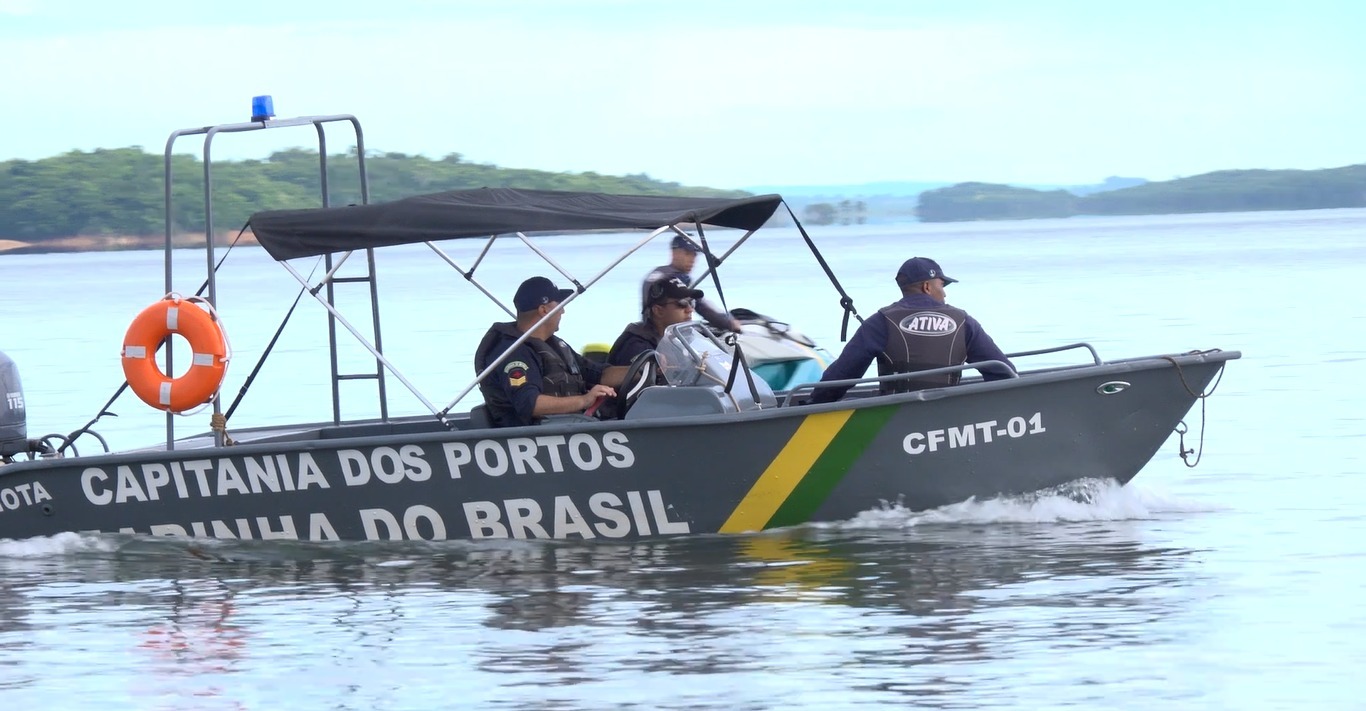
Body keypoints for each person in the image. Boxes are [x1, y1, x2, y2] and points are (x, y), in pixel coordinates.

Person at [810, 257, 1015, 403]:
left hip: (892, 419)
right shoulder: (963, 321)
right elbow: (1004, 372)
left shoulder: (880, 321)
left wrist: (812, 404)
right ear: (927, 287)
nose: (944, 294)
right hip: (949, 415)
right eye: (942, 285)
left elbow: (840, 377)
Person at [473, 276, 627, 427]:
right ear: (544, 310)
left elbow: (599, 374)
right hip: (537, 437)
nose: (563, 311)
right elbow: (530, 404)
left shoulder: (554, 345)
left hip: (570, 428)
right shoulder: (514, 353)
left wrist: (639, 370)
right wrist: (584, 400)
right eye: (560, 305)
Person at [641, 233, 741, 333]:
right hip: (670, 334)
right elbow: (703, 307)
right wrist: (730, 323)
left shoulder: (657, 273)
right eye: (688, 253)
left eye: (694, 255)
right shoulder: (677, 278)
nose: (692, 260)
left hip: (650, 331)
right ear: (675, 253)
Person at [607, 276, 704, 366]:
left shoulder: (675, 339)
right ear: (658, 311)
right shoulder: (637, 347)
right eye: (682, 303)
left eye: (691, 302)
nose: (690, 309)